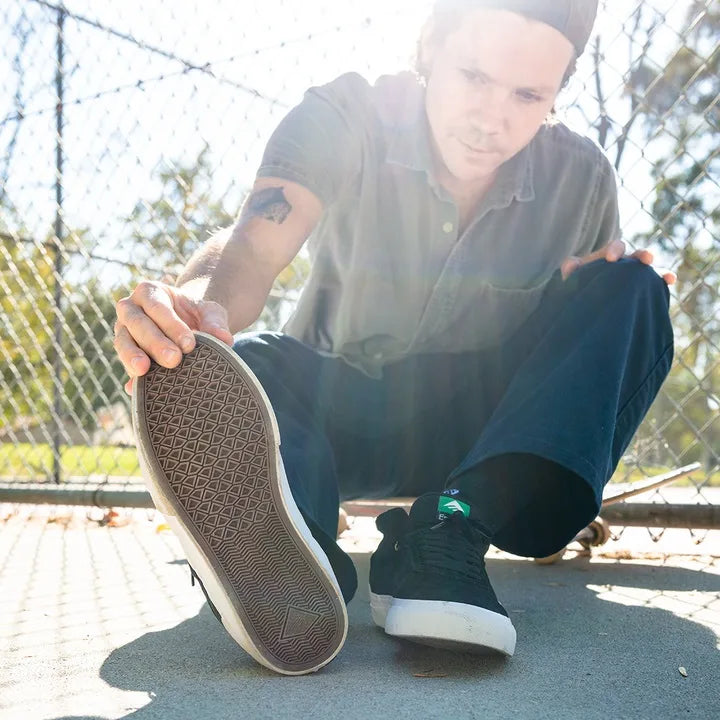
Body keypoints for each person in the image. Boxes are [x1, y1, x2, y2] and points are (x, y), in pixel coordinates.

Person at [114, 0, 676, 676]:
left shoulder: (582, 177)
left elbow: (583, 357)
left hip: (478, 443)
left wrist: (594, 294)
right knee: (248, 360)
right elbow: (252, 249)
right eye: (473, 75)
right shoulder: (347, 115)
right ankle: (279, 551)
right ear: (431, 45)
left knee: (634, 286)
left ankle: (449, 532)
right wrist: (196, 315)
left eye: (529, 95)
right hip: (330, 411)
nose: (492, 117)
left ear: (559, 91)